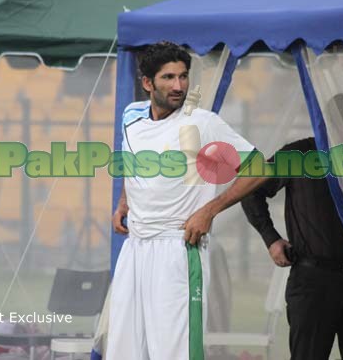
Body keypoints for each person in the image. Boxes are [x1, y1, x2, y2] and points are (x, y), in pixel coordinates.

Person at [183, 93, 343, 360]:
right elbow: (252, 190)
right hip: (315, 280)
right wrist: (271, 238)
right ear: (339, 124)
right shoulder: (299, 154)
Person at [106, 41, 254, 360]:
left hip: (178, 248)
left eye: (184, 76)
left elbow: (259, 168)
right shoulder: (131, 117)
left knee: (174, 352)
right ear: (147, 83)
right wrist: (124, 201)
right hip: (134, 248)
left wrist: (209, 211)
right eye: (168, 77)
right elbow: (131, 158)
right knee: (124, 350)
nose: (179, 86)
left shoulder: (201, 122)